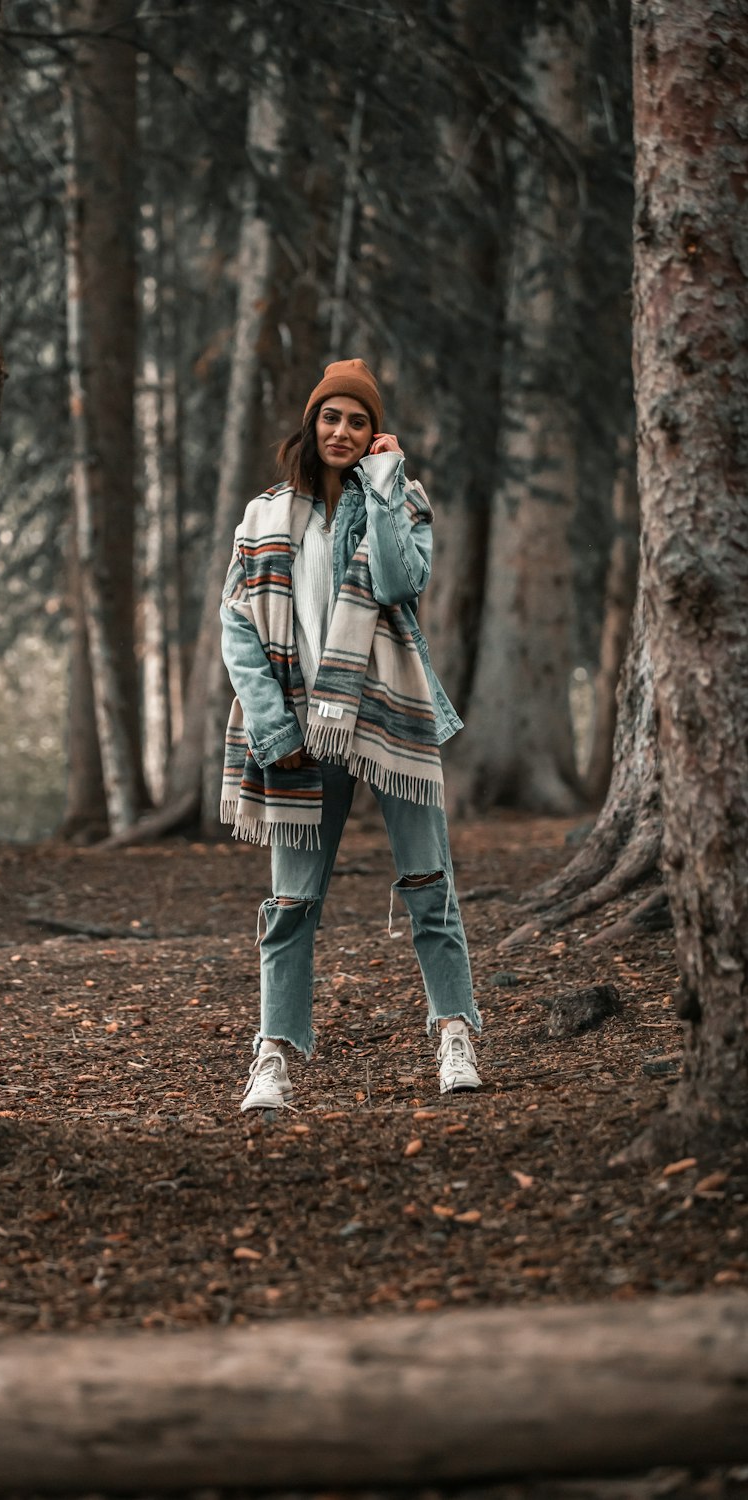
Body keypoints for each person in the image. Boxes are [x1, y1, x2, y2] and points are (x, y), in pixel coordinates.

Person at [219, 358, 482, 1113]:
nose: (341, 431)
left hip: (387, 709)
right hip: (300, 722)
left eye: (358, 421)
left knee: (429, 883)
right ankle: (272, 1057)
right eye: (331, 417)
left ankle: (455, 1035)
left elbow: (401, 582)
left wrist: (389, 483)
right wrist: (272, 726)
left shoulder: (399, 501)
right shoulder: (262, 515)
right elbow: (237, 626)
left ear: (374, 435)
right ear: (312, 423)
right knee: (291, 901)